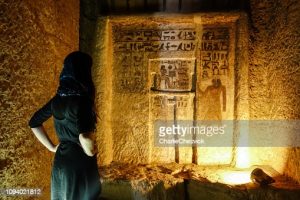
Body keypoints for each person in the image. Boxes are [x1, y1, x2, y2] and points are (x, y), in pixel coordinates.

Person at [28, 51, 101, 200]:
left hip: (61, 162)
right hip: (79, 166)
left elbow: (34, 123)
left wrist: (52, 148)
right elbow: (85, 138)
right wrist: (92, 150)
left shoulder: (57, 101)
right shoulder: (83, 102)